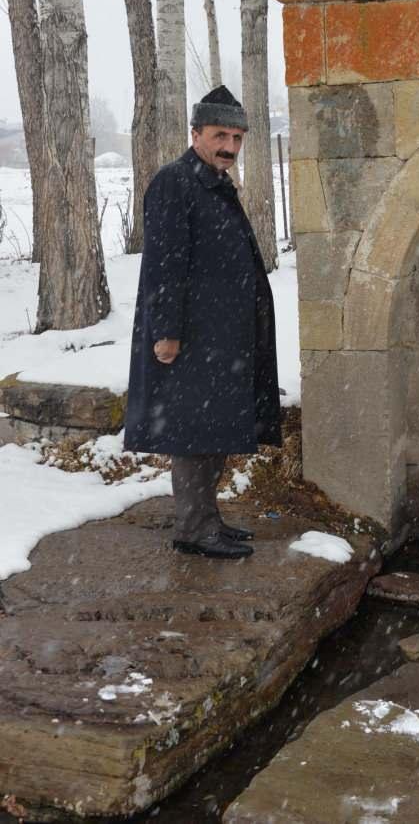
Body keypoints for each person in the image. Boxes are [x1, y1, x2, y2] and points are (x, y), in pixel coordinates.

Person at [124, 85, 282, 559]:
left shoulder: (213, 181)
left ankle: (208, 520)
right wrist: (166, 332)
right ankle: (194, 530)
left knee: (215, 430)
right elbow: (164, 265)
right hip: (190, 338)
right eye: (219, 135)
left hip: (221, 337)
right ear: (195, 133)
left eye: (237, 138)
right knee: (195, 434)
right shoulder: (175, 182)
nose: (229, 147)